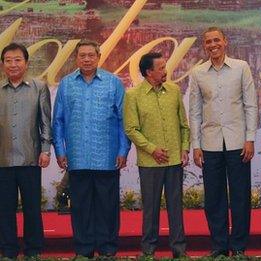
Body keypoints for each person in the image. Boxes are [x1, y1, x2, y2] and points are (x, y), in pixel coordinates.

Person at [53, 39, 131, 259]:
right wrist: (60, 151)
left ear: (98, 57)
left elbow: (124, 119)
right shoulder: (66, 84)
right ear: (76, 58)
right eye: (82, 55)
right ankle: (83, 249)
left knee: (108, 207)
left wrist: (123, 151)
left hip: (107, 157)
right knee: (80, 207)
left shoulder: (113, 83)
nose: (86, 59)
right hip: (77, 157)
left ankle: (107, 249)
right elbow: (58, 121)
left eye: (91, 55)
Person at [188, 26, 258, 257]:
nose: (213, 45)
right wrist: (196, 145)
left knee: (240, 196)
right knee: (214, 198)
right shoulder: (197, 73)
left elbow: (250, 105)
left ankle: (238, 246)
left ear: (225, 42)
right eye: (208, 41)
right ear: (204, 45)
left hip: (238, 142)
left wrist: (250, 139)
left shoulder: (241, 67)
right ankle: (219, 245)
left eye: (216, 40)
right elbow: (195, 112)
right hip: (210, 144)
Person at [124, 52, 189, 258]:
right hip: (149, 162)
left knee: (176, 208)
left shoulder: (174, 91)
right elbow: (131, 129)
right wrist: (153, 149)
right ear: (148, 72)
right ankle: (148, 250)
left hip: (174, 160)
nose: (165, 71)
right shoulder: (133, 95)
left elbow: (184, 125)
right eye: (161, 68)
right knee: (150, 208)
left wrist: (185, 149)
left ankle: (179, 251)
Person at [0, 43, 52, 259]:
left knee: (32, 208)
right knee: (4, 209)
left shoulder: (39, 87)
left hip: (30, 157)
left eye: (17, 60)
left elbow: (45, 123)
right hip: (2, 159)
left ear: (26, 62)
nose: (13, 64)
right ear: (2, 65)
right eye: (8, 61)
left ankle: (33, 249)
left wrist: (46, 150)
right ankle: (9, 250)